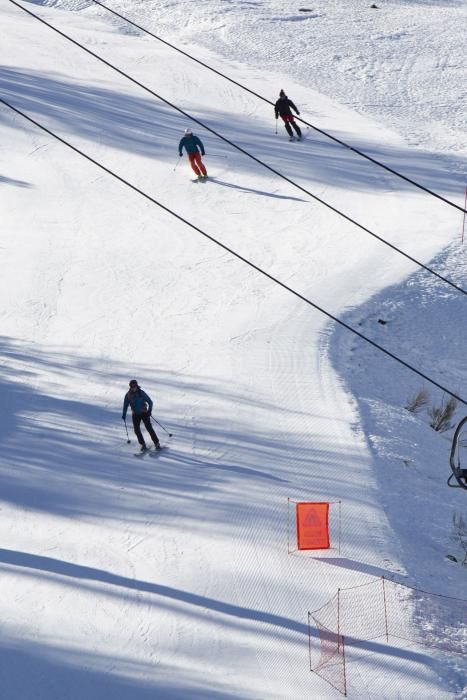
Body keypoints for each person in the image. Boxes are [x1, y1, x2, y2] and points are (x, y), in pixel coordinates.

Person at [122, 379, 161, 451]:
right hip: (135, 414)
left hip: (144, 413)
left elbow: (150, 402)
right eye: (132, 386)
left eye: (134, 386)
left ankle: (157, 443)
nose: (133, 388)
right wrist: (124, 414)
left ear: (137, 386)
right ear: (130, 387)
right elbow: (125, 405)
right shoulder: (128, 395)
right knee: (136, 430)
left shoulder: (141, 393)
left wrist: (149, 411)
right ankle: (143, 444)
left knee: (149, 428)